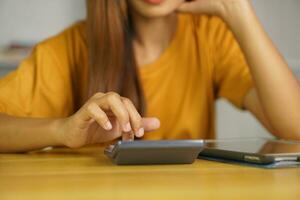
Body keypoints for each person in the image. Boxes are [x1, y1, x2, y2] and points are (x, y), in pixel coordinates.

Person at [0, 0, 299, 153]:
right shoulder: (67, 50)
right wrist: (61, 131)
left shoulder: (209, 37)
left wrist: (237, 10)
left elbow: (296, 128)